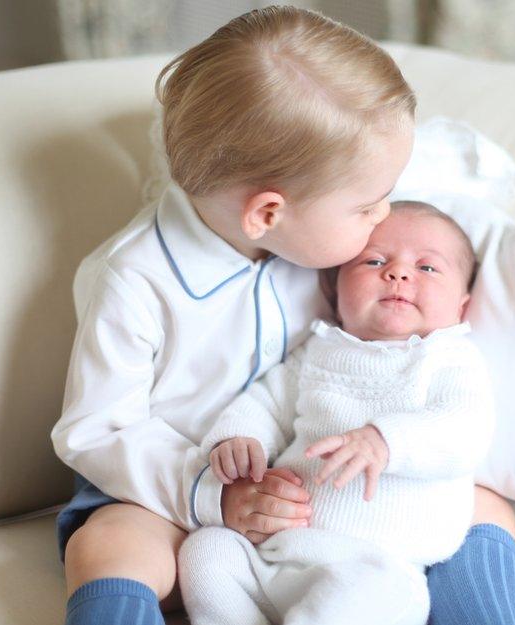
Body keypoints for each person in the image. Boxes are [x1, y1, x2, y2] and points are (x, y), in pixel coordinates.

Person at [51, 7, 515, 625]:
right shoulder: (135, 280)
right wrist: (214, 495)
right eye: (367, 207)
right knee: (110, 544)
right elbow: (94, 430)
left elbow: (411, 198)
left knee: (485, 506)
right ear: (268, 214)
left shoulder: (326, 236)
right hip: (174, 495)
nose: (383, 218)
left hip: (327, 492)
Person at [179, 202, 496, 625]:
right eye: (375, 261)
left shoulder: (450, 359)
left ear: (461, 305)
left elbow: (467, 429)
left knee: (357, 603)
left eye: (428, 268)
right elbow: (267, 402)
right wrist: (239, 439)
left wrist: (386, 440)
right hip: (277, 553)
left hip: (379, 568)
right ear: (335, 287)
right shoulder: (320, 350)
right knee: (206, 551)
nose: (398, 274)